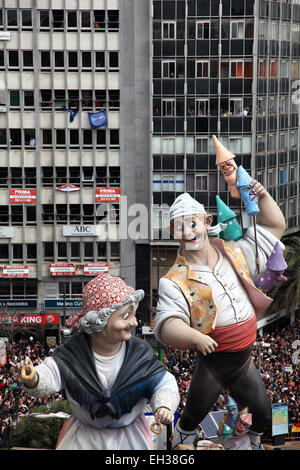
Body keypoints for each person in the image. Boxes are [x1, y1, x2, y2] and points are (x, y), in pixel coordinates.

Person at [153, 183, 286, 450]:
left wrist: (261, 195)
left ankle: (254, 445)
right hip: (215, 360)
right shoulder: (174, 280)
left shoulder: (233, 251)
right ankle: (177, 447)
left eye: (193, 224)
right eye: (180, 227)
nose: (189, 232)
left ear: (207, 221)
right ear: (172, 233)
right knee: (192, 415)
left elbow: (274, 228)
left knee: (262, 410)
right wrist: (192, 336)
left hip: (244, 358)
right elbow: (167, 324)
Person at [14, 272, 180, 450]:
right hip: (84, 440)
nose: (134, 322)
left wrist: (163, 405)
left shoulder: (140, 353)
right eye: (126, 316)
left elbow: (162, 381)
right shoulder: (73, 353)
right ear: (100, 321)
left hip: (130, 440)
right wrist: (34, 378)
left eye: (134, 314)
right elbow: (52, 372)